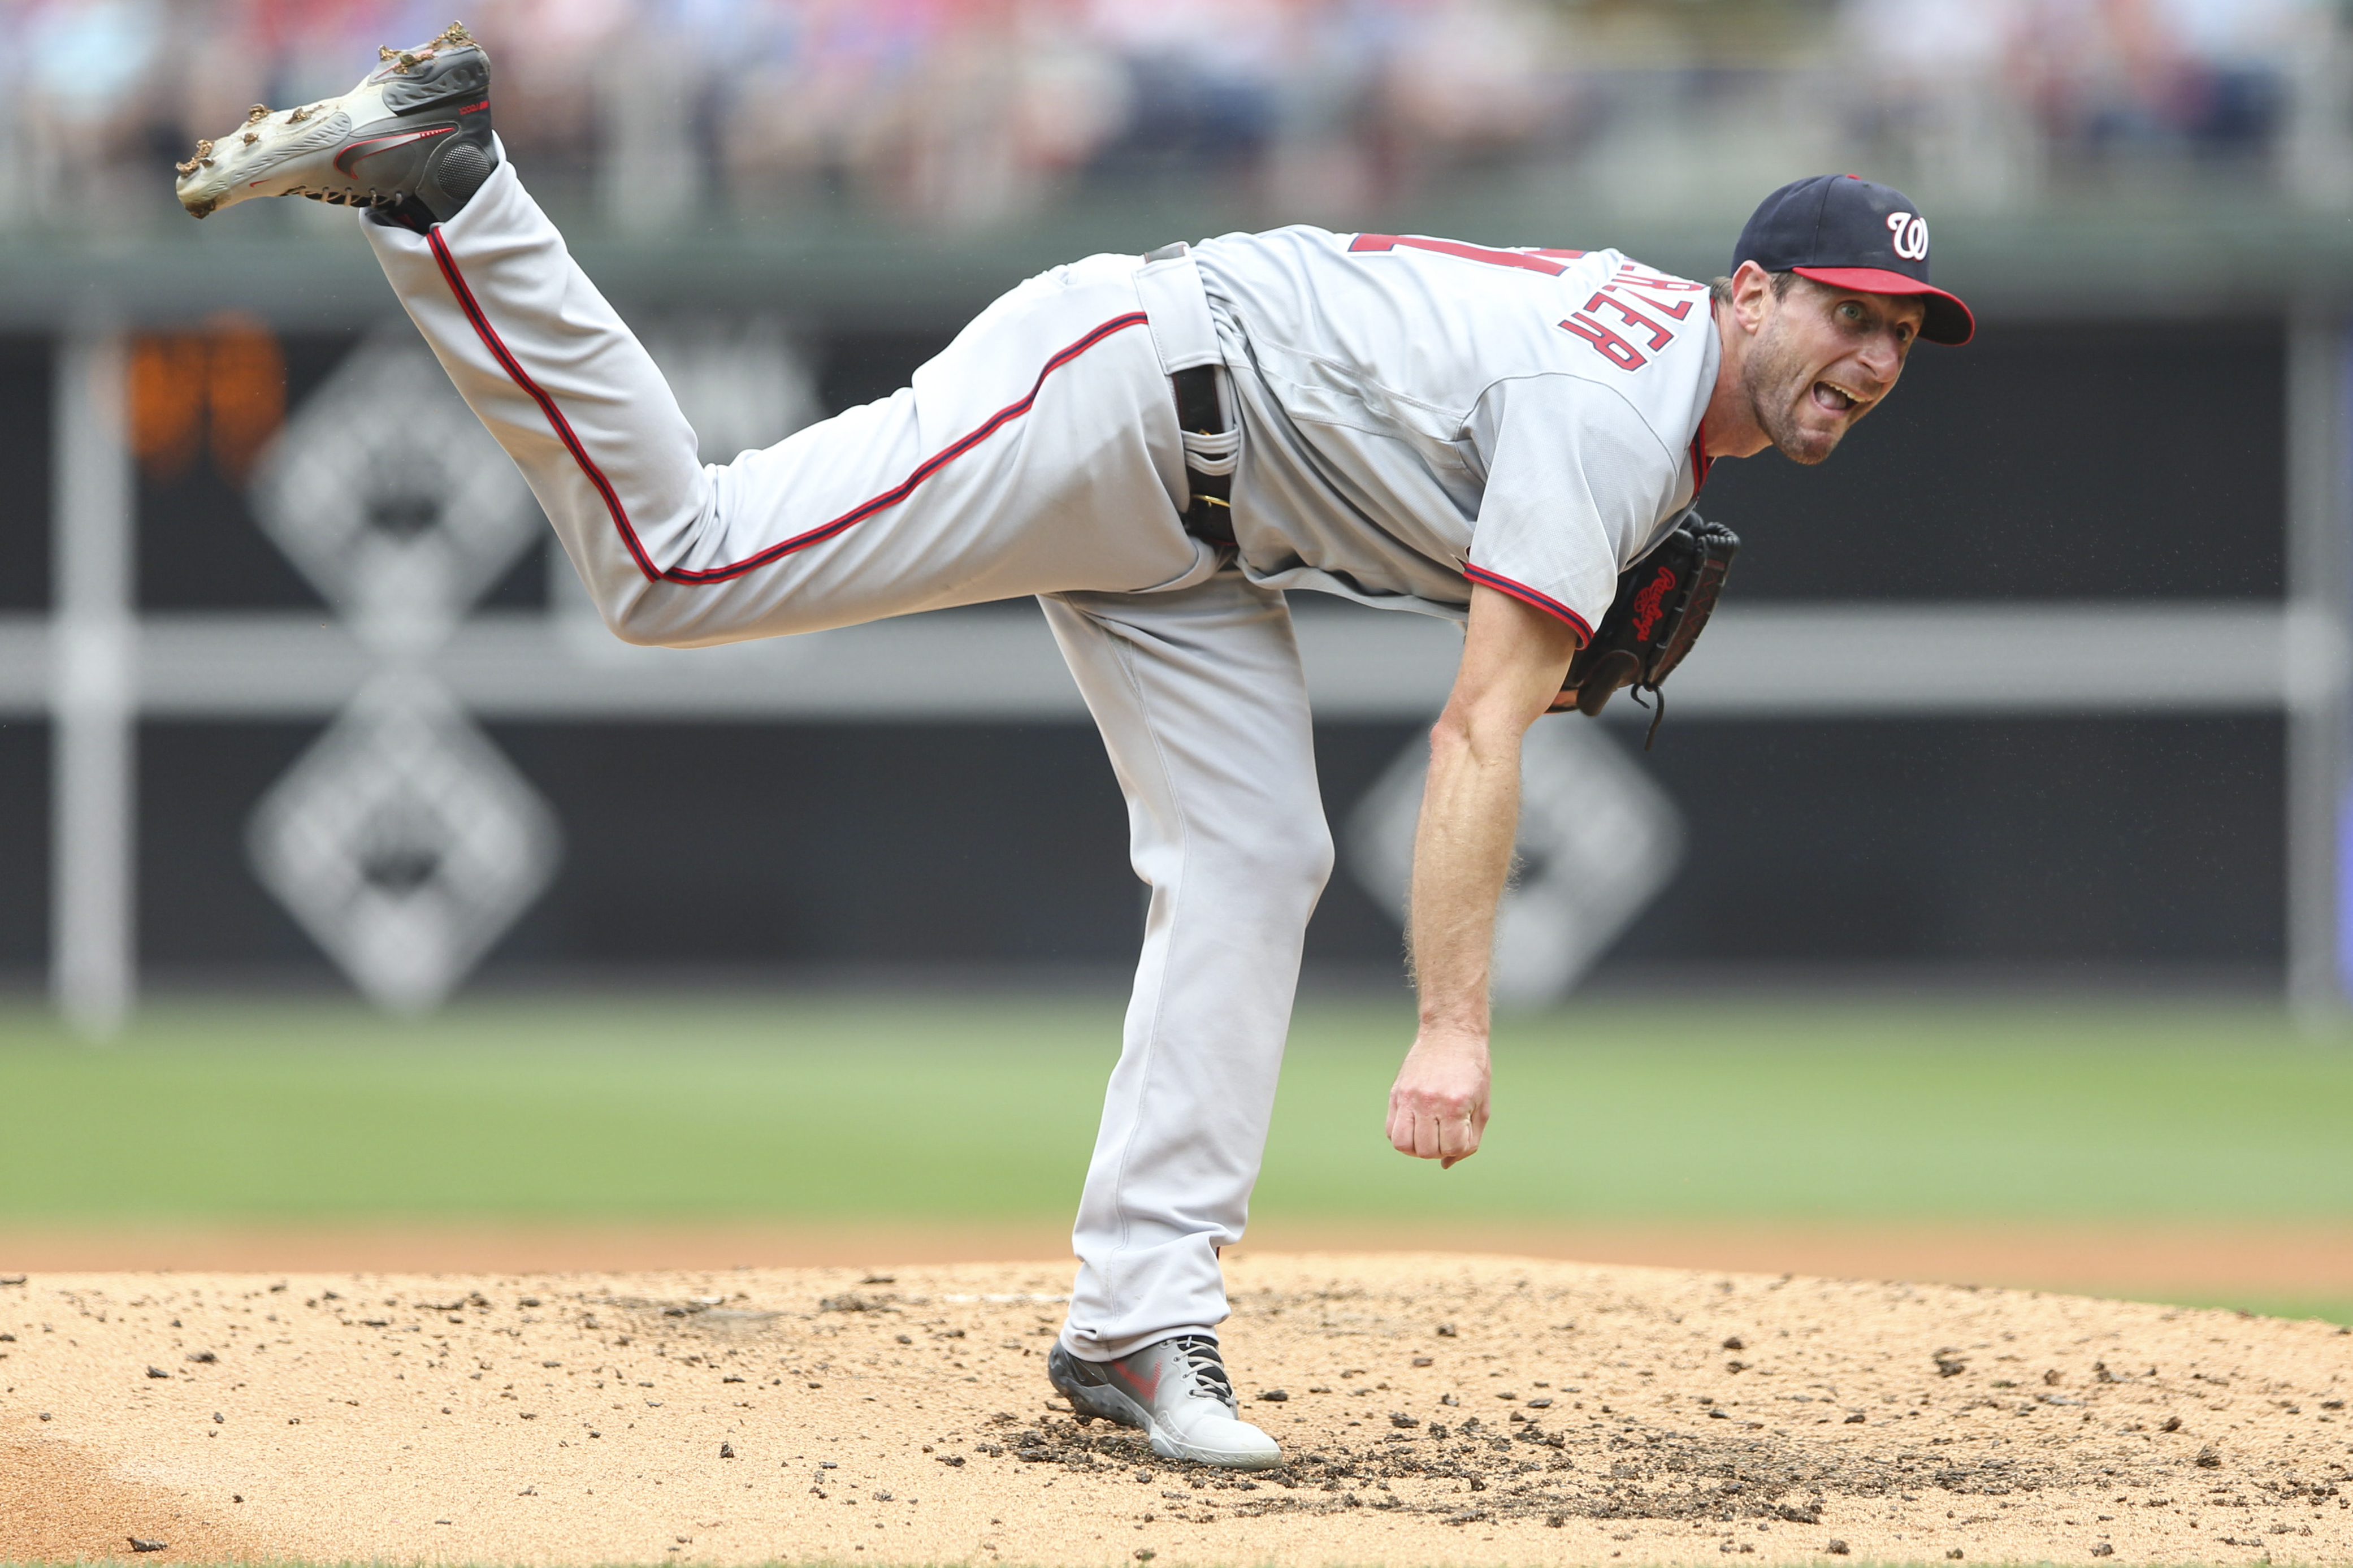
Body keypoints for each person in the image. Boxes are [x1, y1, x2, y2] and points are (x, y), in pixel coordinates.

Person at [174, 24, 1971, 1472]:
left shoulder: (1647, 382)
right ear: (1747, 296)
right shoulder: (1614, 415)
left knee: (1259, 855)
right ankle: (455, 190)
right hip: (1126, 392)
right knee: (677, 564)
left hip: (1196, 529)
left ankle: (1132, 1324)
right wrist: (1450, 1023)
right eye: (1841, 310)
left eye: (1897, 332)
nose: (1872, 355)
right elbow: (1482, 725)